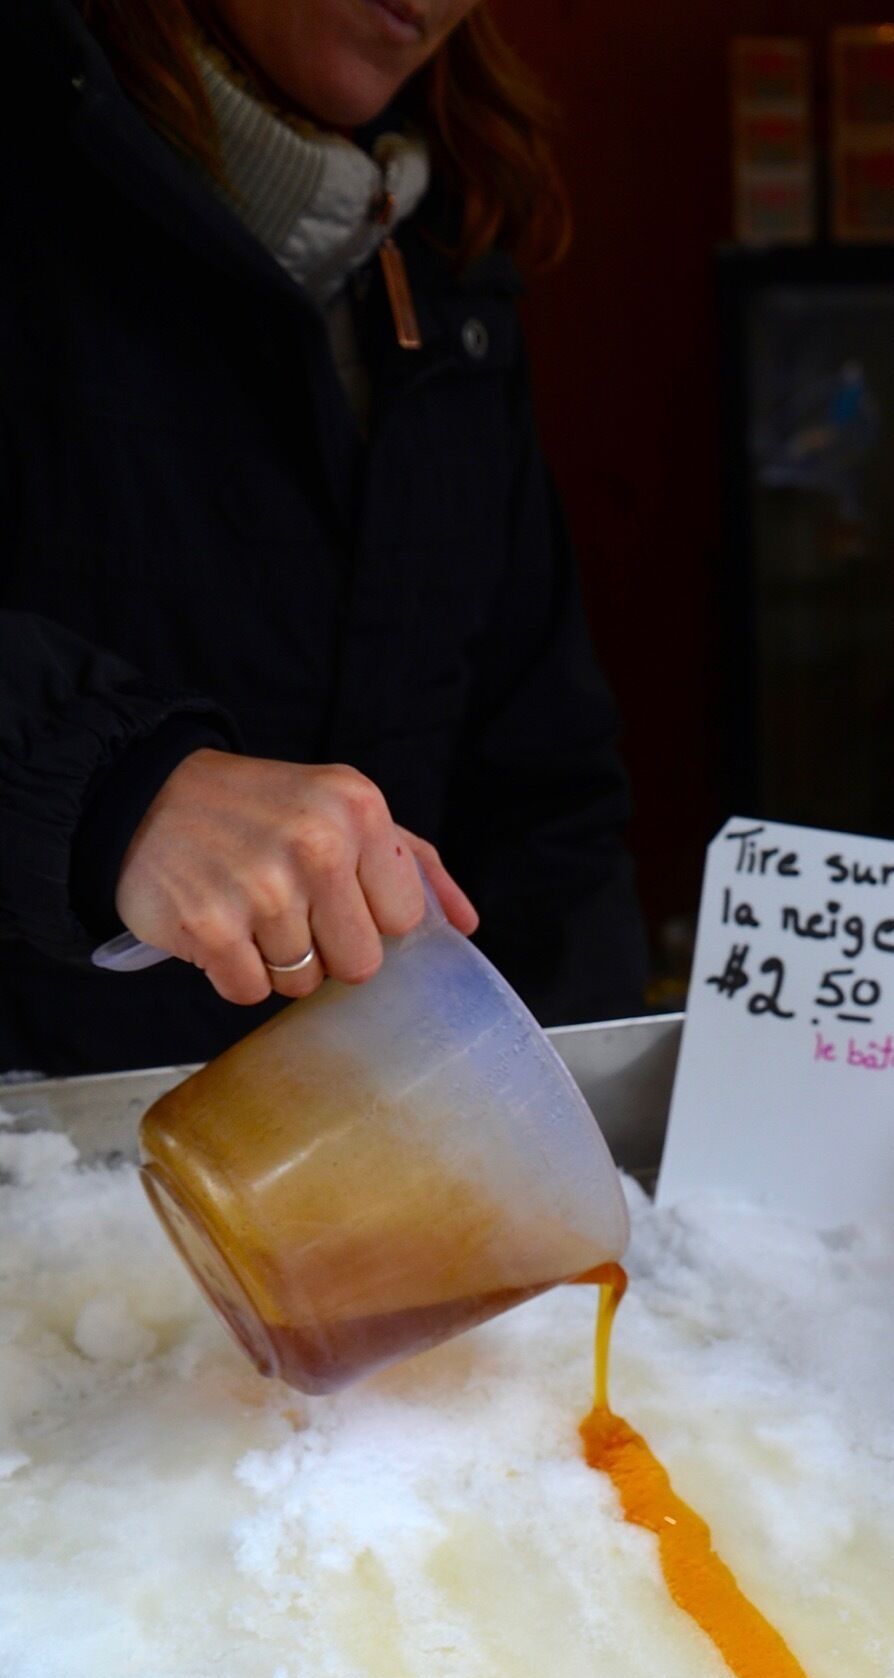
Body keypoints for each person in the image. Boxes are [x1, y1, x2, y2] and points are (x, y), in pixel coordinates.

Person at [1, 0, 646, 1076]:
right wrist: (116, 791)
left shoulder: (454, 242)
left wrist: (587, 1115)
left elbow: (546, 788)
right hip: (51, 1173)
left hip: (357, 1170)